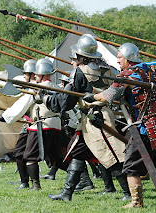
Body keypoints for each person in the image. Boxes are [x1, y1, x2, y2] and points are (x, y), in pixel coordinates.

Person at [83, 43, 156, 207]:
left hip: (145, 128)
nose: (118, 62)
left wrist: (92, 97)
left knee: (131, 165)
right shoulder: (153, 71)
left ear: (127, 57)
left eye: (119, 58)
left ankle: (136, 202)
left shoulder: (127, 75)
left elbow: (108, 96)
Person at [37, 34, 130, 201]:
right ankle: (67, 193)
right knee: (78, 153)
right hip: (97, 118)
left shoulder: (79, 72)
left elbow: (66, 102)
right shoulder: (108, 69)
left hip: (96, 120)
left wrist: (47, 99)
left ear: (81, 56)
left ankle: (128, 192)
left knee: (110, 155)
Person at [0, 58, 66, 190]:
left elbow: (23, 104)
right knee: (56, 157)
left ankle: (35, 185)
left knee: (29, 156)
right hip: (56, 125)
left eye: (36, 73)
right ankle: (82, 179)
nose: (34, 75)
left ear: (42, 74)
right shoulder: (57, 87)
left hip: (41, 126)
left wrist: (6, 116)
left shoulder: (38, 88)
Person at [0, 59, 37, 189]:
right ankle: (25, 181)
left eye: (27, 74)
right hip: (30, 125)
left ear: (33, 74)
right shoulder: (32, 86)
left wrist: (6, 116)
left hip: (36, 125)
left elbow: (22, 104)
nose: (25, 76)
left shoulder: (35, 87)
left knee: (57, 156)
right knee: (19, 153)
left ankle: (84, 180)